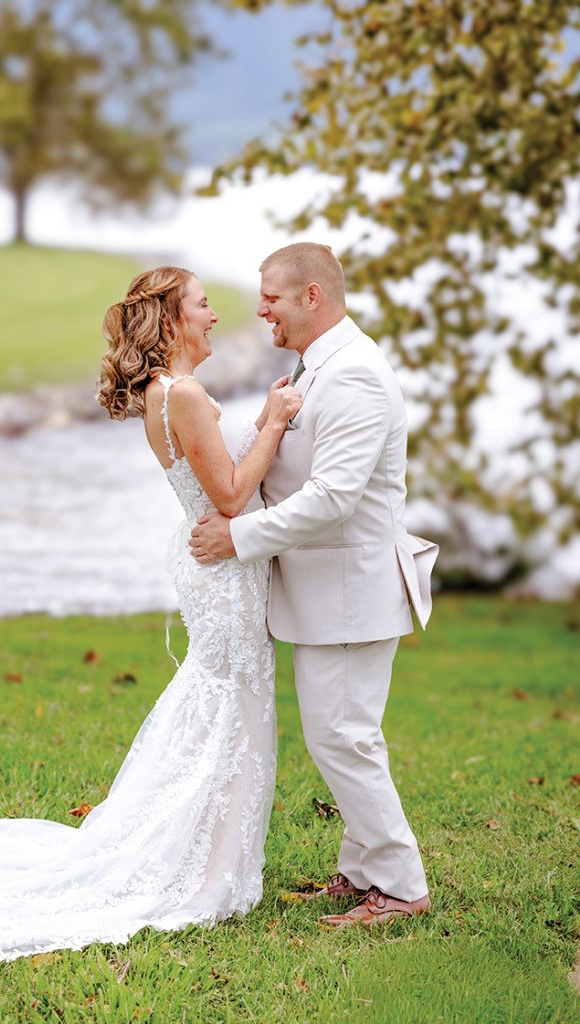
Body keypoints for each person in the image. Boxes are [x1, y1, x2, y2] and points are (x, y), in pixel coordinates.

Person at [0, 266, 301, 962]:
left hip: (213, 563)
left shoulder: (167, 393)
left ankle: (212, 855)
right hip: (221, 567)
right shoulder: (188, 396)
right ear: (172, 321)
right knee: (228, 705)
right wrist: (272, 422)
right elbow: (232, 498)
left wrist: (261, 428)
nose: (214, 316)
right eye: (204, 306)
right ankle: (200, 867)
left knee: (221, 703)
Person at [190, 243, 439, 927]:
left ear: (311, 299)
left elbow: (332, 497)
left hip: (353, 590)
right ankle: (360, 873)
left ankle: (400, 886)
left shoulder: (353, 374)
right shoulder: (320, 364)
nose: (259, 307)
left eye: (270, 295)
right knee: (341, 733)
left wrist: (236, 537)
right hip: (328, 590)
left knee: (343, 738)